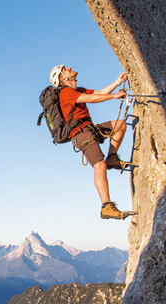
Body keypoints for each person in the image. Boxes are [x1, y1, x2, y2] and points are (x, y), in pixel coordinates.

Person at [49, 64, 133, 220]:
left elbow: (99, 93)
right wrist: (114, 96)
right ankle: (106, 206)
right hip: (80, 134)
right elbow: (92, 99)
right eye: (65, 68)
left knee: (120, 125)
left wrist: (117, 82)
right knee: (99, 165)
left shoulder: (77, 90)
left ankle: (112, 158)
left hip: (89, 129)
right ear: (61, 77)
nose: (70, 67)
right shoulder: (65, 93)